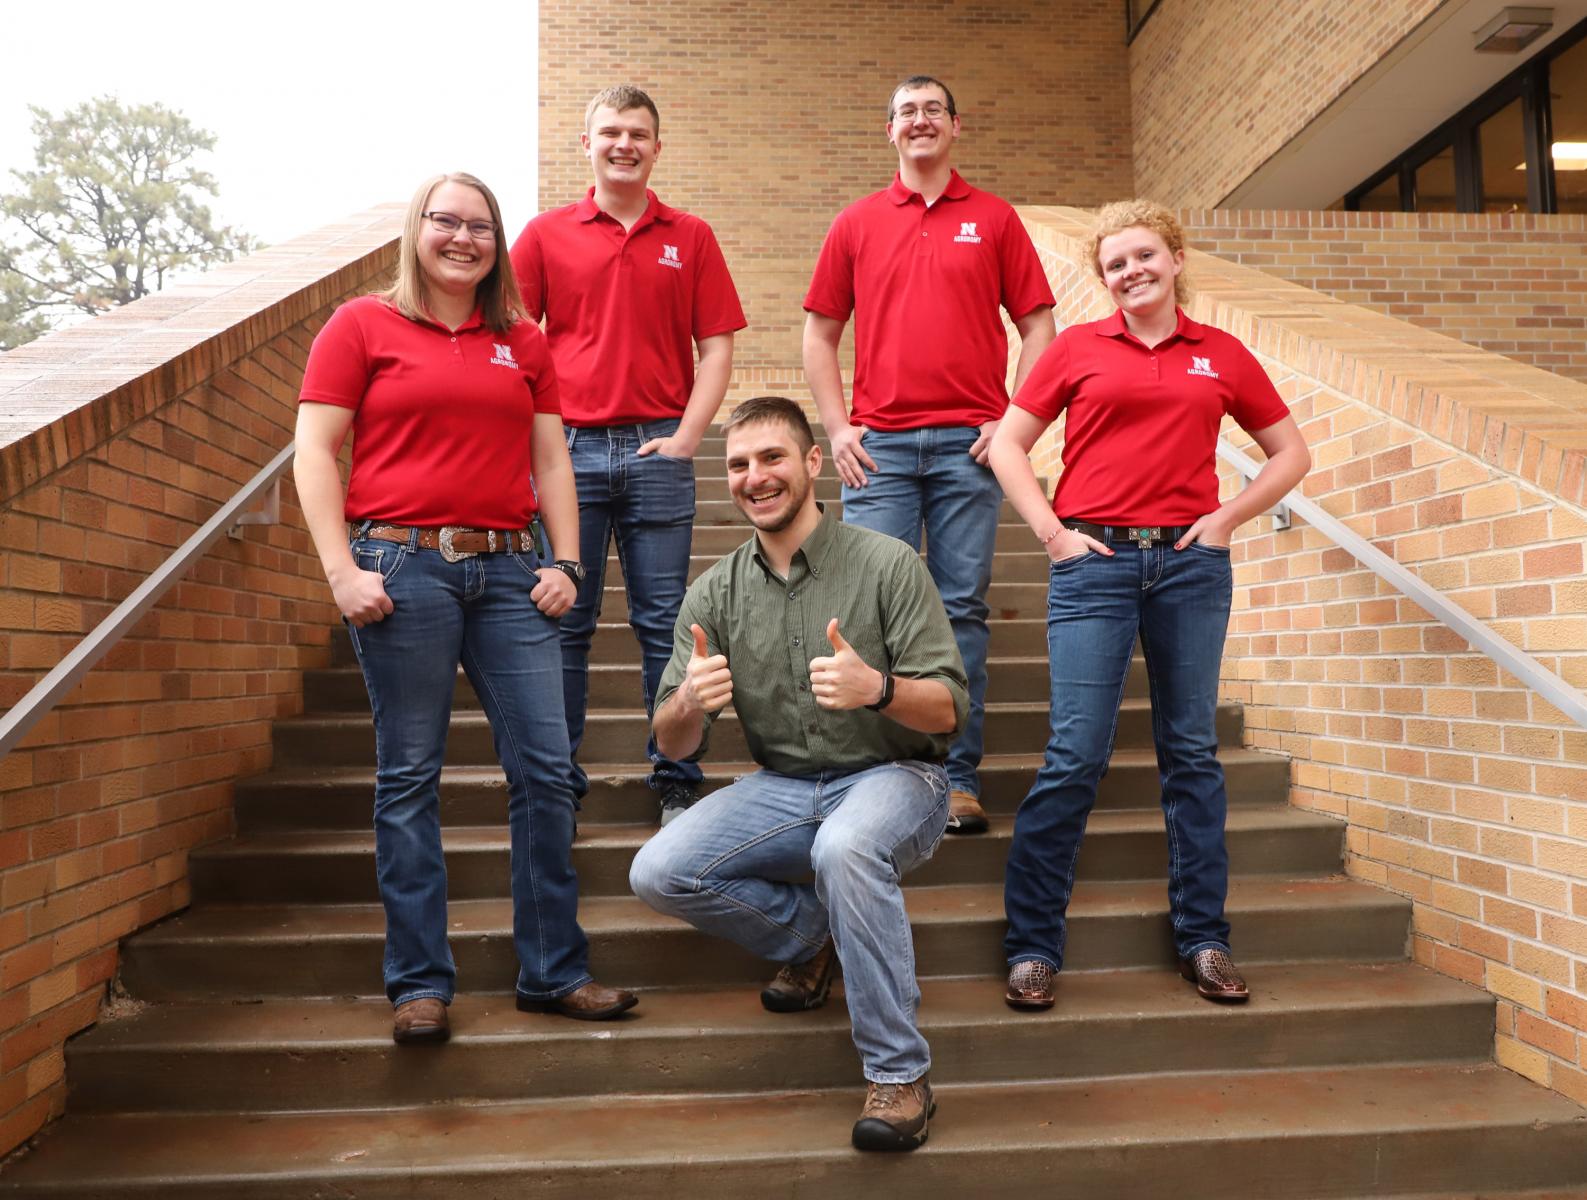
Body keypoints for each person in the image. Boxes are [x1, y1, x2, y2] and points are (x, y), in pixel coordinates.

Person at [294, 172, 637, 1045]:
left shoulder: (520, 341)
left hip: (508, 572)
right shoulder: (361, 324)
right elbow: (315, 452)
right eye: (445, 222)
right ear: (417, 230)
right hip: (399, 570)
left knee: (549, 771)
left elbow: (552, 463)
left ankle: (553, 971)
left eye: (480, 226)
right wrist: (340, 571)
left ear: (497, 244)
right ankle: (419, 983)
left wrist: (564, 561)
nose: (462, 238)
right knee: (409, 778)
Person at [988, 199, 1312, 1010]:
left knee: (1192, 756)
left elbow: (1290, 453)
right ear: (1103, 280)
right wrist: (1051, 534)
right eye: (1113, 265)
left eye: (1142, 256)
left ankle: (1204, 940)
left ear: (1173, 258)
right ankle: (1031, 947)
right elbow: (1006, 444)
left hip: (1187, 568)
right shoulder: (1075, 348)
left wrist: (1226, 518)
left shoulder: (1221, 354)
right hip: (1092, 564)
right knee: (1074, 755)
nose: (1129, 272)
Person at [628, 396, 968, 1152]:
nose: (756, 478)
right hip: (782, 785)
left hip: (895, 778)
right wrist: (688, 700)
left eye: (772, 458)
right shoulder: (712, 592)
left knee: (843, 848)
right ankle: (816, 935)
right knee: (658, 869)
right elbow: (675, 744)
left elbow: (947, 711)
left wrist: (877, 689)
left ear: (813, 463)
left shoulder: (885, 564)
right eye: (739, 465)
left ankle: (899, 1074)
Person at [803, 74, 1056, 837]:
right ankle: (878, 779)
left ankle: (955, 777)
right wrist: (837, 427)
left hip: (966, 451)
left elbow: (1039, 326)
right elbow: (819, 334)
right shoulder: (854, 223)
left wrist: (1014, 422)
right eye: (905, 111)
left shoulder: (994, 218)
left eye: (932, 110)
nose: (919, 121)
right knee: (871, 615)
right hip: (874, 451)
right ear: (889, 130)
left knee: (958, 613)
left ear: (955, 126)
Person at [511, 84, 746, 827]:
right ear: (587, 144)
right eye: (610, 132)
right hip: (567, 452)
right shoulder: (546, 235)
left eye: (638, 133)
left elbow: (716, 347)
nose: (624, 144)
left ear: (656, 146)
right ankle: (559, 783)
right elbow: (511, 344)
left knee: (664, 624)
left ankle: (675, 778)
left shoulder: (692, 236)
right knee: (565, 623)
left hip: (656, 450)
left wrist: (685, 437)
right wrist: (533, 438)